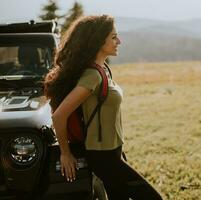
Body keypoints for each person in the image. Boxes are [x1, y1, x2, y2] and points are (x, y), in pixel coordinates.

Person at [44, 15, 163, 200]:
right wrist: (65, 154)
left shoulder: (103, 69)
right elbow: (59, 116)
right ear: (99, 41)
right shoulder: (92, 76)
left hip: (114, 151)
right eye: (114, 37)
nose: (119, 41)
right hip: (103, 156)